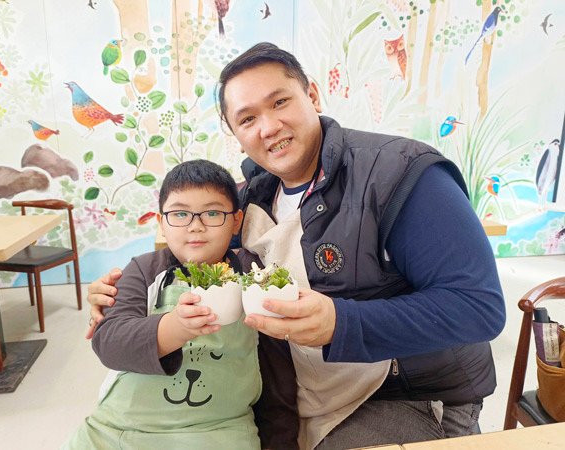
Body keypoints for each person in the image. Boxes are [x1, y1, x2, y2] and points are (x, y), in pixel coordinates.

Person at [87, 42, 506, 449]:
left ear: (312, 94)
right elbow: (194, 244)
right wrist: (119, 291)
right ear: (235, 134)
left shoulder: (401, 174)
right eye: (247, 119)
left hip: (396, 394)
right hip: (290, 392)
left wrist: (341, 323)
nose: (268, 127)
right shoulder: (250, 197)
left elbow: (478, 308)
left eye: (280, 102)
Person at [65, 159, 297, 449]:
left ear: (236, 220)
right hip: (121, 428)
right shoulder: (143, 270)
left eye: (212, 213)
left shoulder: (255, 276)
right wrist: (175, 327)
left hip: (220, 429)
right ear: (162, 223)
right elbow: (110, 342)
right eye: (180, 214)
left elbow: (278, 377)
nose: (196, 227)